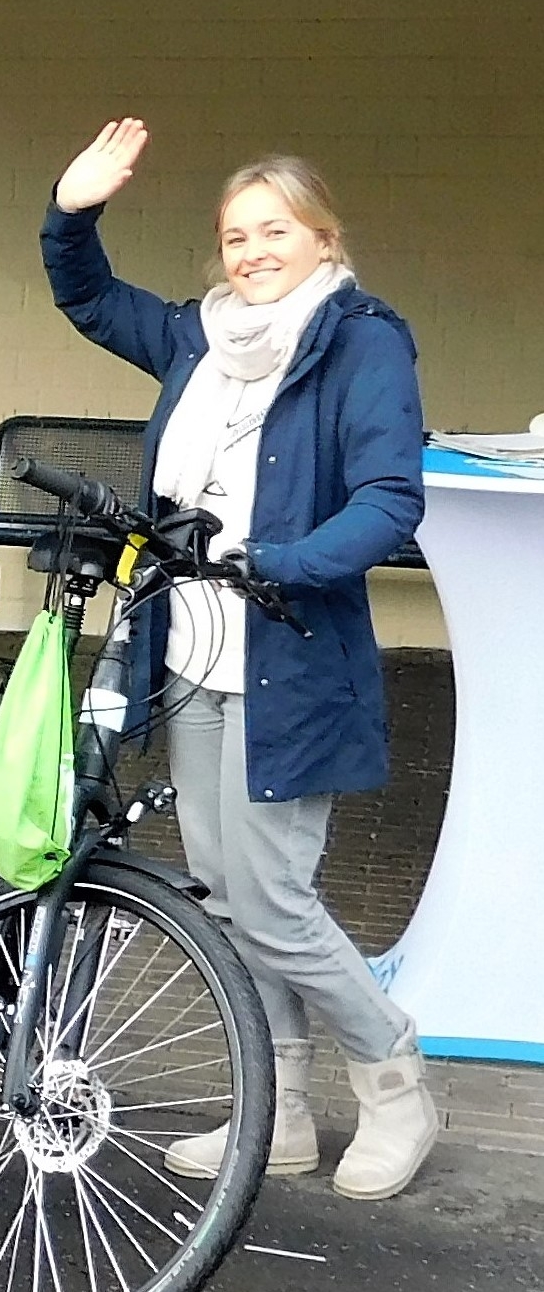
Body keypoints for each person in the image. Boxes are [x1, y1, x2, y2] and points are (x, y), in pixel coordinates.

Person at [44, 119, 436, 1201]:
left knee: (272, 900)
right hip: (190, 650)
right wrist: (72, 208)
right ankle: (279, 1112)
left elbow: (387, 500)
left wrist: (280, 562)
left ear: (320, 237)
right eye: (233, 235)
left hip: (289, 652)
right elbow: (84, 296)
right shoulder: (196, 337)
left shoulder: (361, 340)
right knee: (223, 892)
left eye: (273, 229)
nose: (252, 250)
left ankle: (394, 1075)